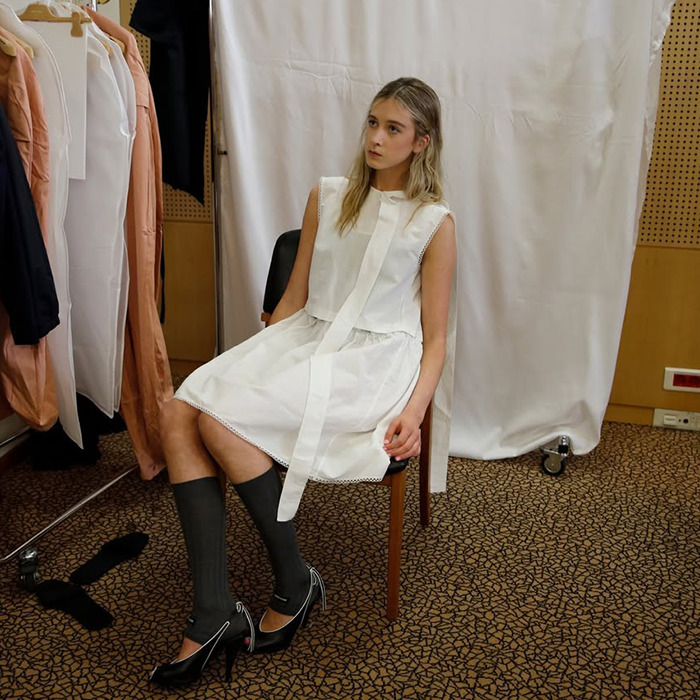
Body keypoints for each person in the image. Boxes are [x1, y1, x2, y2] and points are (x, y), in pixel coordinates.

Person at [150, 76, 456, 688]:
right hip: (309, 336)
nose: (375, 137)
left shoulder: (435, 222)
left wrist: (416, 412)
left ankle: (294, 582)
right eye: (372, 122)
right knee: (180, 408)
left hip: (376, 361)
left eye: (392, 128)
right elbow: (292, 302)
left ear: (421, 142)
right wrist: (254, 359)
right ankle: (213, 608)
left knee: (218, 421)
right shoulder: (329, 195)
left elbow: (438, 338)